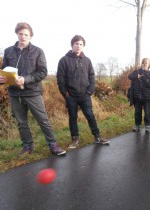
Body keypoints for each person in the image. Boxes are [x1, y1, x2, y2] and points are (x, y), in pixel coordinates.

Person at [0, 22, 66, 156]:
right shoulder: (8, 51)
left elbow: (42, 72)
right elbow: (4, 70)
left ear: (30, 36)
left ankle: (53, 145)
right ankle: (27, 147)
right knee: (21, 122)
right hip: (14, 93)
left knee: (43, 120)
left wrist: (25, 79)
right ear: (17, 34)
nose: (23, 37)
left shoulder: (38, 51)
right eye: (21, 34)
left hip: (32, 92)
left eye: (26, 34)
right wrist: (2, 79)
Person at [57, 35, 109, 149]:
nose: (78, 46)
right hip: (71, 96)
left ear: (83, 46)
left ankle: (97, 136)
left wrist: (90, 91)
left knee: (90, 115)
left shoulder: (87, 60)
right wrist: (65, 94)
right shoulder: (64, 60)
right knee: (73, 117)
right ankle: (75, 139)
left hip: (85, 95)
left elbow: (92, 76)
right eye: (76, 44)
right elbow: (60, 79)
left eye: (81, 44)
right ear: (72, 45)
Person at [128, 58, 150, 133]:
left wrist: (144, 77)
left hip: (147, 97)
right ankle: (137, 125)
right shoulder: (137, 71)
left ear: (149, 65)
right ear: (141, 64)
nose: (145, 64)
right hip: (137, 96)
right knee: (137, 112)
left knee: (147, 113)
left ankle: (147, 126)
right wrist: (137, 76)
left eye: (146, 63)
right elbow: (129, 77)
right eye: (143, 63)